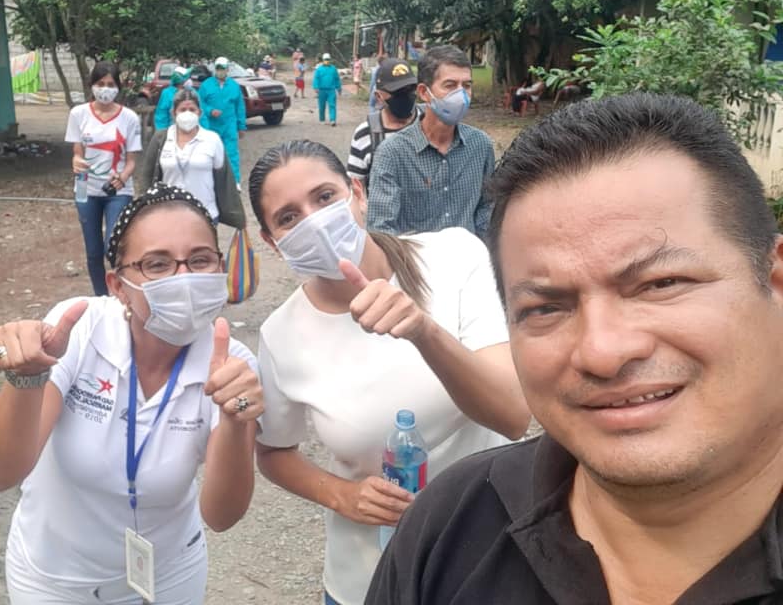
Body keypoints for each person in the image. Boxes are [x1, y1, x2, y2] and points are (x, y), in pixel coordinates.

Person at [368, 93, 783, 604]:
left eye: (660, 283)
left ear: (775, 284)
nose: (602, 352)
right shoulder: (450, 526)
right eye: (546, 308)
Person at [246, 140, 530, 605]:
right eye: (289, 217)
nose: (314, 221)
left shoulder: (454, 257)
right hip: (368, 577)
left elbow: (512, 416)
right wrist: (342, 495)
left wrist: (424, 332)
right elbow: (275, 453)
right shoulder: (281, 335)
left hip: (484, 558)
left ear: (357, 193)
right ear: (272, 241)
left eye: (324, 197)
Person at [0, 183, 263, 605]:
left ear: (220, 268)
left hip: (169, 578)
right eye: (157, 264)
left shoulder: (231, 366)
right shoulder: (81, 330)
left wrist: (237, 423)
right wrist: (27, 377)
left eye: (200, 260)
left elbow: (221, 516)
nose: (183, 278)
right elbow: (1, 473)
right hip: (53, 580)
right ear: (117, 285)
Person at [367, 45, 494, 239]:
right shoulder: (393, 153)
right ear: (424, 92)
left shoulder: (480, 146)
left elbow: (487, 210)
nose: (461, 95)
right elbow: (381, 230)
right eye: (450, 85)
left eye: (467, 86)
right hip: (412, 258)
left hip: (469, 257)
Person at [66, 61, 142, 297]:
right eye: (100, 84)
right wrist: (76, 161)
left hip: (118, 192)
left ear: (118, 87)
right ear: (92, 85)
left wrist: (122, 177)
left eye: (110, 84)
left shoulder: (129, 118)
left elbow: (132, 161)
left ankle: (122, 293)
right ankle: (101, 297)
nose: (105, 89)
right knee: (93, 251)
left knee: (113, 245)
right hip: (85, 189)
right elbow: (77, 153)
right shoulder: (78, 114)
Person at [139, 89, 245, 229]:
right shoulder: (161, 139)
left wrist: (236, 215)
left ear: (200, 113)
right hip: (169, 215)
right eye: (182, 110)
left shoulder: (212, 139)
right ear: (173, 113)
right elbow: (147, 175)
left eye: (192, 110)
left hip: (205, 214)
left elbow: (224, 179)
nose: (187, 114)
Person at [346, 58, 422, 186]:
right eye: (397, 92)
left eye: (410, 89)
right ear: (379, 96)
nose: (405, 96)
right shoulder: (365, 133)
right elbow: (356, 185)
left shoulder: (428, 122)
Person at [198, 57, 246, 183]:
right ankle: (211, 181)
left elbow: (240, 107)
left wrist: (241, 126)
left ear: (227, 69)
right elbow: (199, 103)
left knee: (231, 154)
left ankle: (234, 182)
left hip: (229, 125)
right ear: (215, 69)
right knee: (210, 154)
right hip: (211, 126)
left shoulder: (234, 86)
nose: (220, 71)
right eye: (218, 68)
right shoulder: (206, 85)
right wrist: (210, 110)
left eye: (223, 68)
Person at [153, 66, 192, 132]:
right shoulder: (167, 93)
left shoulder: (192, 92)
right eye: (187, 78)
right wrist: (163, 132)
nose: (189, 80)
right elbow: (162, 115)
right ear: (181, 80)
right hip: (172, 131)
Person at [313, 53, 342, 127]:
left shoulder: (333, 69)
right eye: (326, 59)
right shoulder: (319, 69)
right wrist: (315, 87)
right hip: (321, 90)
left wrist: (339, 88)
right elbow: (316, 79)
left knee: (332, 105)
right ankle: (322, 119)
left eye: (328, 59)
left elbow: (337, 79)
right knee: (321, 106)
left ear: (330, 60)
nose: (327, 61)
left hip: (331, 90)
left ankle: (332, 120)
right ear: (323, 60)